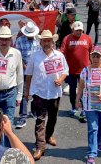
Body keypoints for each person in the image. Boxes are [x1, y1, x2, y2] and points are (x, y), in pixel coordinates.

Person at [24, 30, 68, 161]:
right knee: (40, 120)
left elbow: (65, 70)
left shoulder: (59, 55)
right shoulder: (35, 56)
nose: (47, 43)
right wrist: (27, 91)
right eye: (44, 40)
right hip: (39, 92)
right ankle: (40, 146)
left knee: (53, 117)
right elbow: (29, 74)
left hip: (54, 92)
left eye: (49, 40)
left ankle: (49, 136)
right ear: (40, 42)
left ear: (53, 42)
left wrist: (60, 80)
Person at [76, 46, 101, 164]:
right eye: (93, 56)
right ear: (90, 57)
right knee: (92, 128)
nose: (95, 58)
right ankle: (91, 154)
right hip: (89, 104)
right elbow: (81, 87)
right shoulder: (85, 71)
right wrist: (77, 100)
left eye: (97, 56)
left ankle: (98, 142)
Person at [61, 21, 94, 122]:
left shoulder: (87, 38)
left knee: (85, 91)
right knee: (72, 90)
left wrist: (94, 66)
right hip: (71, 70)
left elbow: (92, 52)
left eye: (80, 30)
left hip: (84, 70)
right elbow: (62, 53)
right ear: (73, 30)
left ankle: (84, 109)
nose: (79, 32)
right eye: (77, 30)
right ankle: (74, 107)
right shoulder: (67, 39)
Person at [14, 22, 41, 129]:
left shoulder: (37, 42)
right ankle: (22, 117)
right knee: (24, 94)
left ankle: (34, 111)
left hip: (35, 71)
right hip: (24, 71)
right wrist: (26, 67)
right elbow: (18, 56)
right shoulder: (19, 41)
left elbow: (39, 56)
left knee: (35, 93)